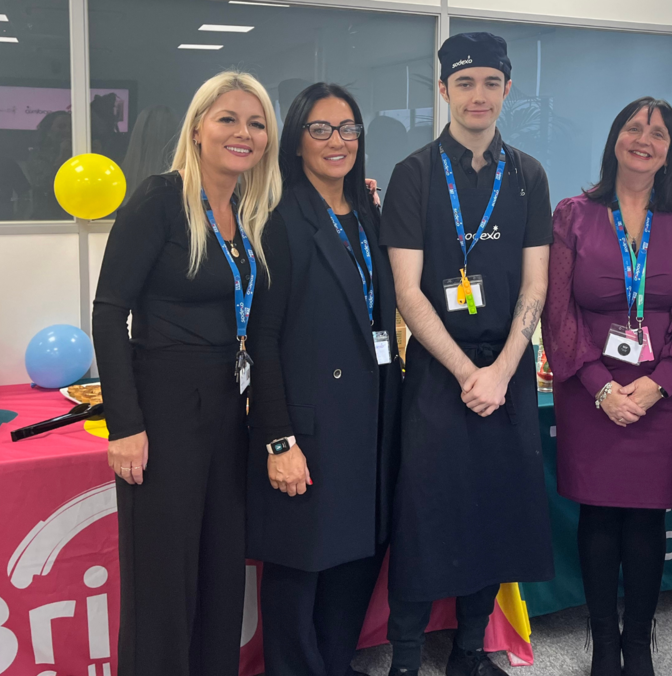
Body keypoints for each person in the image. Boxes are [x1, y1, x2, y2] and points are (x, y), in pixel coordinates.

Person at [92, 70, 282, 675]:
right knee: (162, 581)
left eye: (256, 123)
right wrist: (123, 424)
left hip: (229, 406)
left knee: (221, 570)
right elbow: (108, 313)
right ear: (198, 127)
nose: (242, 133)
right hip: (165, 406)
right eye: (227, 119)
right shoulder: (160, 197)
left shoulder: (250, 210)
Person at [379, 31, 555, 676]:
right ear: (444, 90)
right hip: (436, 372)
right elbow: (406, 290)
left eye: (490, 83)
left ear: (507, 90)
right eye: (464, 83)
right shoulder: (414, 175)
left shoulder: (530, 175)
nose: (477, 96)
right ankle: (403, 660)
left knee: (495, 516)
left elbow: (535, 284)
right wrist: (465, 371)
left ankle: (469, 652)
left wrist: (504, 371)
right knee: (425, 516)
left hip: (505, 370)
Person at [542, 97, 672, 676]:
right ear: (615, 137)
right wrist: (600, 387)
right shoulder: (572, 213)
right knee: (598, 518)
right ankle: (603, 645)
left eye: (659, 132)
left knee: (646, 520)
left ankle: (637, 642)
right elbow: (557, 311)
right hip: (592, 390)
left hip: (663, 394)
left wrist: (659, 383)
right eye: (635, 128)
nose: (645, 139)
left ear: (670, 150)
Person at [246, 83, 401, 676]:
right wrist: (279, 439)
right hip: (310, 426)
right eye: (321, 129)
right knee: (301, 566)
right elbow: (262, 339)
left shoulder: (366, 212)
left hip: (373, 417)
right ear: (297, 140)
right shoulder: (280, 219)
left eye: (348, 129)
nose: (337, 142)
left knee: (357, 558)